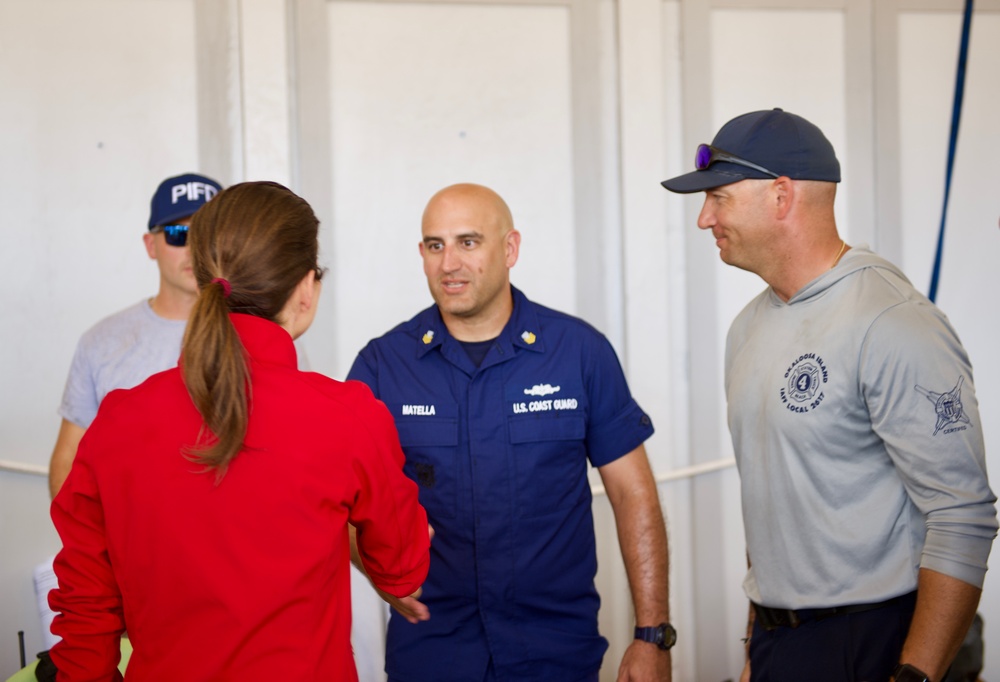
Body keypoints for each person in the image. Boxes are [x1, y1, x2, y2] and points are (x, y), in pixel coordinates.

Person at [661, 108, 997, 682]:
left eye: (718, 197)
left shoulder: (891, 321)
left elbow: (961, 515)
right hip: (779, 643)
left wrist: (915, 675)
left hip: (880, 641)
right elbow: (774, 507)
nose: (702, 218)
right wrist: (754, 645)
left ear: (781, 195)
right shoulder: (747, 328)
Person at [48, 181, 431, 680]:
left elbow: (85, 615)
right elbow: (401, 571)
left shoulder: (118, 422)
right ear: (306, 287)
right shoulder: (347, 415)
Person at [347, 183, 673, 682]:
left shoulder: (579, 353)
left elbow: (634, 495)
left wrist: (652, 635)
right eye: (435, 246)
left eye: (468, 242)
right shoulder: (382, 366)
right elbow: (343, 504)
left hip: (555, 654)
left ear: (510, 249)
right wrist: (380, 575)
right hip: (433, 653)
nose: (449, 263)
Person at [48, 172, 222, 499]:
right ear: (150, 244)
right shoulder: (102, 341)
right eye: (178, 234)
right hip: (126, 544)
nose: (195, 248)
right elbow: (69, 460)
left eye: (208, 235)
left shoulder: (263, 334)